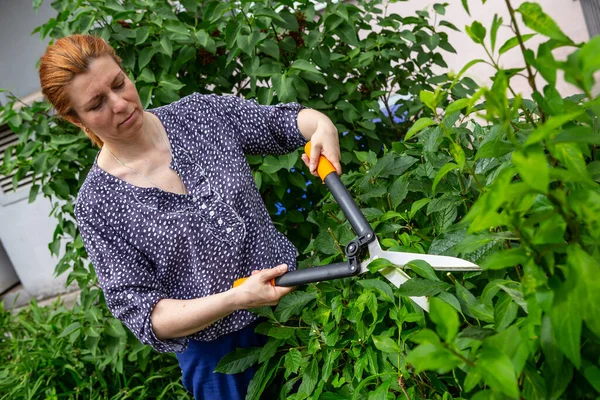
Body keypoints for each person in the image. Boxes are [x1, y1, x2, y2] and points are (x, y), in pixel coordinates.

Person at [38, 34, 341, 399]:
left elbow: (283, 123)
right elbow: (147, 315)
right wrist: (235, 298)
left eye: (119, 84)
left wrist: (322, 126)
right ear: (75, 118)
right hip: (219, 360)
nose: (120, 104)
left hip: (299, 308)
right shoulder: (97, 203)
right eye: (97, 103)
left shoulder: (199, 116)